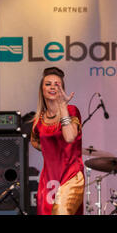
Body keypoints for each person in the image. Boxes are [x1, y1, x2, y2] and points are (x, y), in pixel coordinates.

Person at [30, 67, 84, 215]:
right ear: (42, 88)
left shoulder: (72, 110)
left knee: (60, 212)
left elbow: (69, 137)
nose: (52, 87)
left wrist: (62, 107)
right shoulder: (39, 119)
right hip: (48, 180)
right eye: (48, 84)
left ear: (62, 89)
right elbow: (34, 141)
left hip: (71, 176)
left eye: (57, 84)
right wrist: (50, 149)